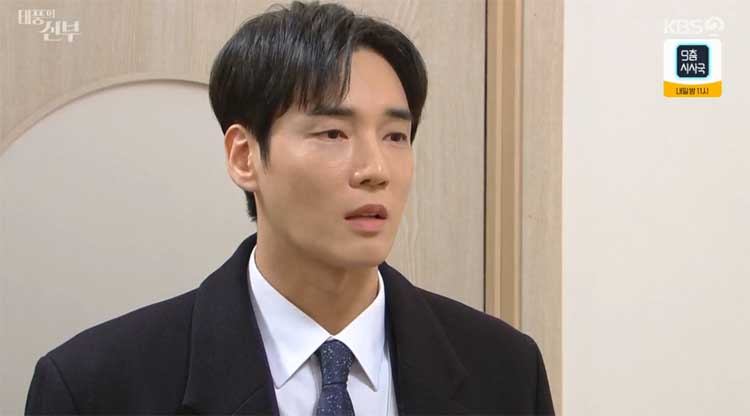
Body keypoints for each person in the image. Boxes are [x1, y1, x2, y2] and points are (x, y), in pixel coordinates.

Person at [25, 1, 554, 415]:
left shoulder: (506, 370)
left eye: (396, 135)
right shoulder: (96, 387)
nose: (375, 169)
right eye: (333, 133)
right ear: (244, 156)